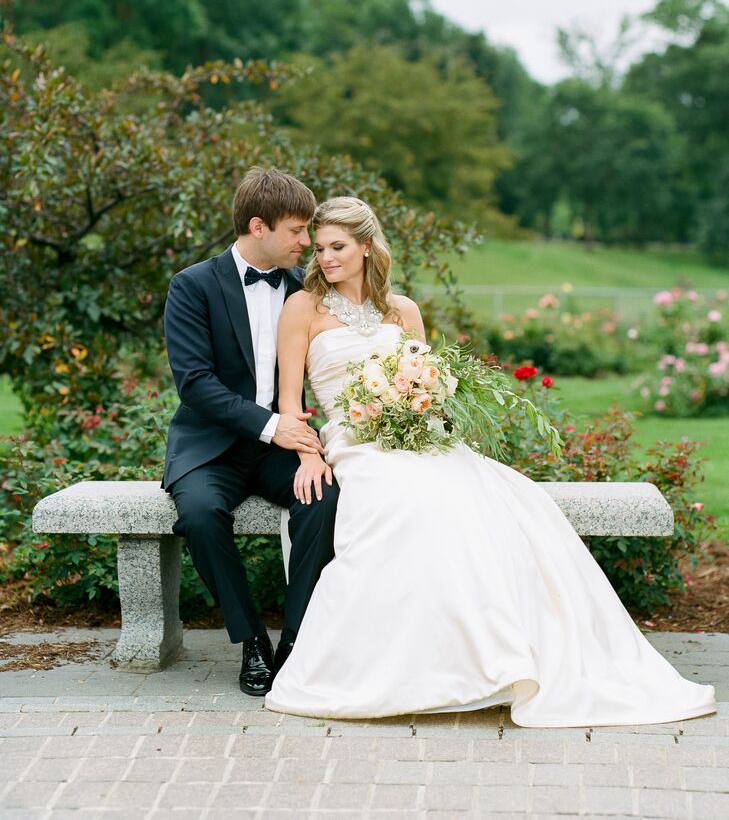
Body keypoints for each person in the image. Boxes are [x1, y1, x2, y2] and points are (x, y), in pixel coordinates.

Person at [265, 196, 716, 725]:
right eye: (318, 249)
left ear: (367, 246)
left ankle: (503, 655)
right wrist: (307, 455)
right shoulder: (303, 308)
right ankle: (407, 664)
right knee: (405, 506)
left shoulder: (402, 310)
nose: (325, 259)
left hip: (417, 435)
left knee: (500, 503)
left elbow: (426, 385)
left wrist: (417, 406)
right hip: (355, 442)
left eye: (337, 247)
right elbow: (289, 404)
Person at [162, 168, 339, 696]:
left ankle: (297, 638)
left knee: (325, 499)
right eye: (297, 231)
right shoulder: (192, 285)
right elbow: (195, 383)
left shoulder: (305, 288)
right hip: (212, 446)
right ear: (258, 226)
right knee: (197, 513)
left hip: (284, 446)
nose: (306, 243)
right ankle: (252, 641)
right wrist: (270, 426)